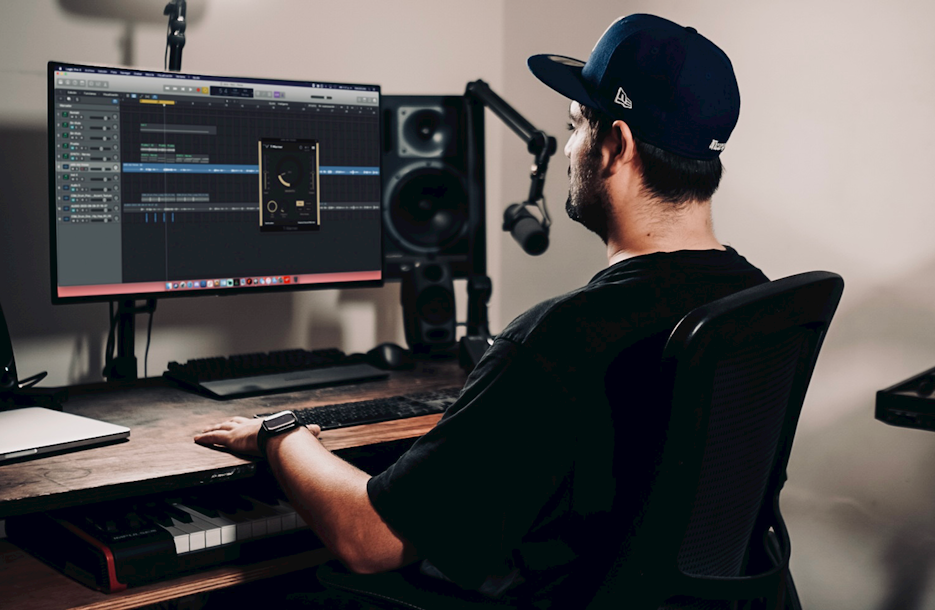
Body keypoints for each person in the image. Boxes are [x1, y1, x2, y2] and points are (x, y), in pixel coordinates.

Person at [194, 13, 768, 609]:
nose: (569, 148)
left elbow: (366, 539)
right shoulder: (754, 303)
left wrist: (281, 434)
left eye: (575, 127)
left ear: (615, 147)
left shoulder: (564, 337)